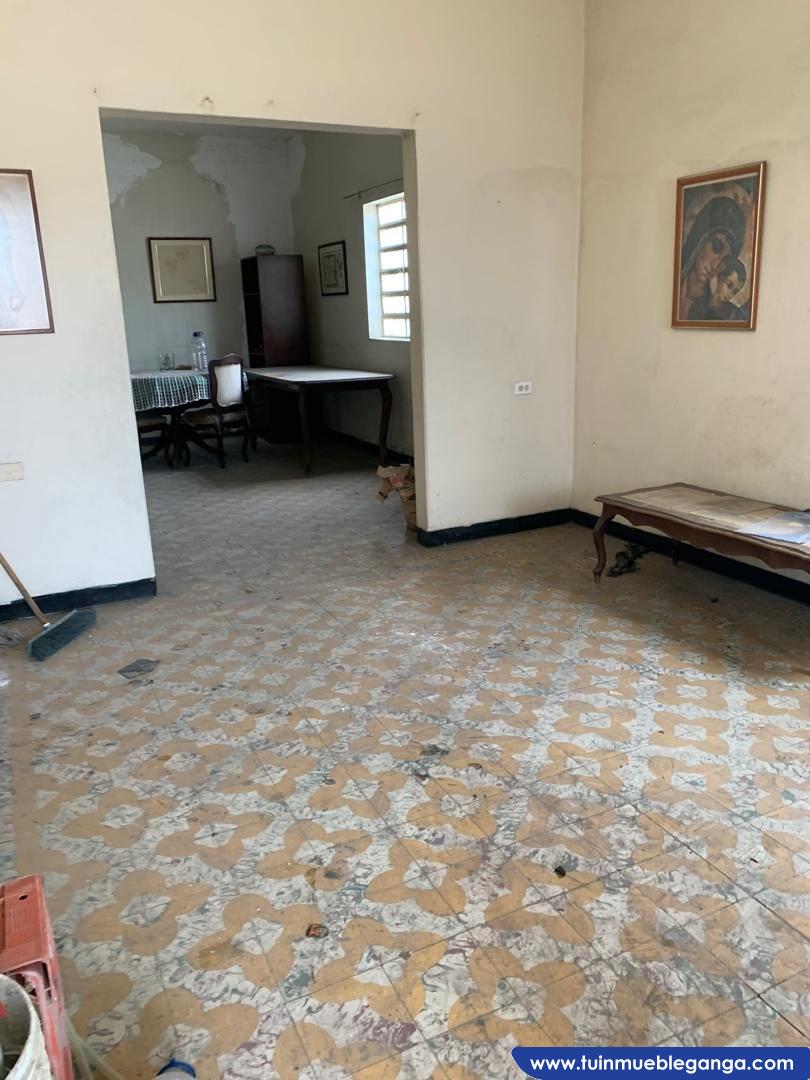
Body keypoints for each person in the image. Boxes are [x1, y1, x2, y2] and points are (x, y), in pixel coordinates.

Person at [678, 195, 746, 320]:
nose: (716, 265)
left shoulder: (725, 313)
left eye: (725, 260)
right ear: (700, 240)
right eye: (716, 247)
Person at [687, 256, 747, 321]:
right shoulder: (697, 308)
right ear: (719, 277)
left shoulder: (736, 315)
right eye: (729, 285)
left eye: (735, 291)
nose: (730, 294)